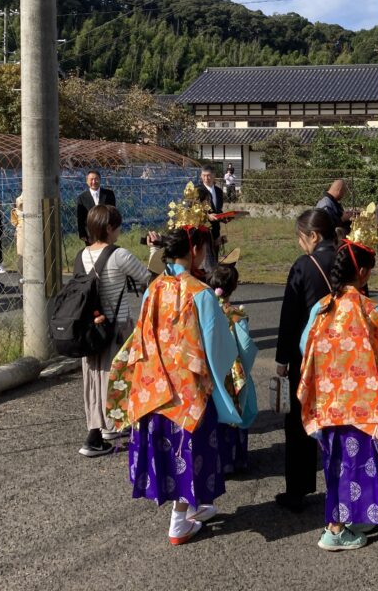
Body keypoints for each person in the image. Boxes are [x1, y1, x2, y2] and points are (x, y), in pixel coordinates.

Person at [105, 203, 243, 546]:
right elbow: (218, 347)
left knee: (170, 451)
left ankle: (193, 507)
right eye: (203, 247)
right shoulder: (201, 294)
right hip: (188, 391)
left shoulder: (154, 288)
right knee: (191, 451)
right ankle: (179, 521)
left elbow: (141, 334)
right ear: (195, 250)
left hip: (154, 386)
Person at [297, 208, 378, 550]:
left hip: (330, 403)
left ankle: (343, 522)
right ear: (362, 272)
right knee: (362, 465)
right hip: (364, 406)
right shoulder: (369, 311)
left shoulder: (323, 307)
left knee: (338, 466)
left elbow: (305, 346)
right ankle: (336, 529)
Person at [78, 205, 154, 457]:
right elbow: (149, 279)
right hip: (116, 326)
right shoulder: (119, 255)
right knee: (117, 376)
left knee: (94, 378)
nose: (120, 230)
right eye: (119, 226)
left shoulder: (82, 255)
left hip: (91, 328)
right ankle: (103, 432)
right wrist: (154, 250)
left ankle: (102, 429)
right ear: (110, 228)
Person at [274, 208, 338, 512]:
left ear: (313, 236)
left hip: (306, 355)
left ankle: (297, 490)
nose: (300, 244)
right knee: (338, 418)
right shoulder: (346, 258)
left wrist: (282, 357)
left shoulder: (304, 265)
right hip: (340, 351)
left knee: (300, 421)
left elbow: (290, 316)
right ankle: (342, 484)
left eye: (301, 238)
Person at [207, 258, 258, 475]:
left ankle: (219, 461)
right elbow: (245, 345)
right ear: (234, 287)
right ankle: (238, 460)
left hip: (213, 370)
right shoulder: (237, 315)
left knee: (216, 411)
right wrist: (244, 367)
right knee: (238, 409)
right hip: (234, 371)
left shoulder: (206, 312)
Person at [76, 170, 115, 242]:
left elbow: (113, 213)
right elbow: (80, 218)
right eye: (91, 179)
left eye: (96, 179)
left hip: (106, 232)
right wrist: (82, 234)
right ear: (87, 181)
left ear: (100, 180)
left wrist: (113, 230)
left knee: (106, 249)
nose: (94, 182)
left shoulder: (109, 194)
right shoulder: (82, 197)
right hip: (90, 234)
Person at [196, 164, 226, 250]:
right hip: (202, 231)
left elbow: (218, 210)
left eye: (208, 175)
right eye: (204, 176)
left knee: (215, 254)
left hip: (216, 231)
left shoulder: (219, 191)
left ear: (214, 175)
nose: (206, 178)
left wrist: (224, 217)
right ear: (201, 176)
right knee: (205, 255)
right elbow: (192, 211)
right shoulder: (197, 191)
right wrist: (207, 216)